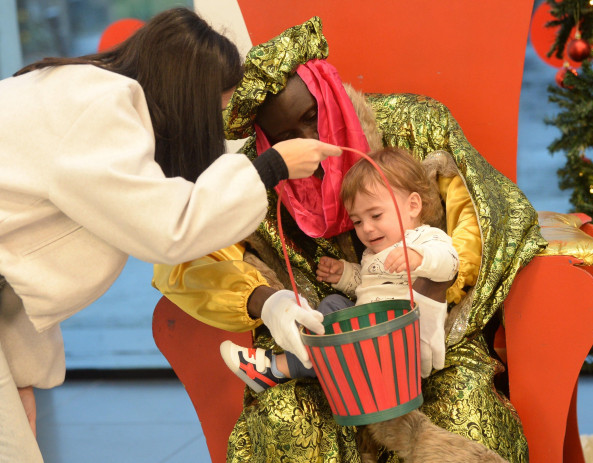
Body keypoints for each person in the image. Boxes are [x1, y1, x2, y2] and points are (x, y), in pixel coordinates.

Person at [152, 17, 544, 462]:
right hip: (319, 343)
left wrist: (433, 289)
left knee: (462, 414)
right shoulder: (253, 176)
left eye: (312, 116)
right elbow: (180, 259)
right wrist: (268, 302)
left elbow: (490, 209)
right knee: (287, 423)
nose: (310, 141)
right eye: (285, 137)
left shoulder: (416, 124)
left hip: (430, 336)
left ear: (330, 95)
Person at [0, 8, 340, 463]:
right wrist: (274, 167)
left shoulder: (81, 91)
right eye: (214, 110)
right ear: (190, 96)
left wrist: (19, 374)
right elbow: (172, 230)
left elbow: (13, 256)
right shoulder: (101, 108)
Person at [220, 147, 460, 392]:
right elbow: (366, 285)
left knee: (340, 338)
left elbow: (450, 262)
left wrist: (420, 258)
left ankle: (280, 367)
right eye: (357, 221)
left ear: (412, 205)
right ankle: (316, 358)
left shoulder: (425, 239)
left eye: (376, 215)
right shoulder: (373, 253)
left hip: (398, 345)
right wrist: (345, 274)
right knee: (332, 306)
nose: (366, 228)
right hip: (365, 336)